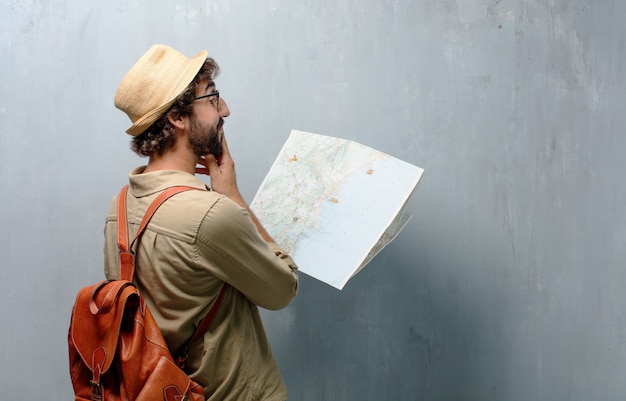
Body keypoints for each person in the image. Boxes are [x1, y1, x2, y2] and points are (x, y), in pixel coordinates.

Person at [104, 44, 299, 401]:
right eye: (212, 99)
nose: (225, 109)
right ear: (177, 118)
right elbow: (283, 288)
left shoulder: (119, 208)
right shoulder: (211, 214)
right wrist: (233, 198)